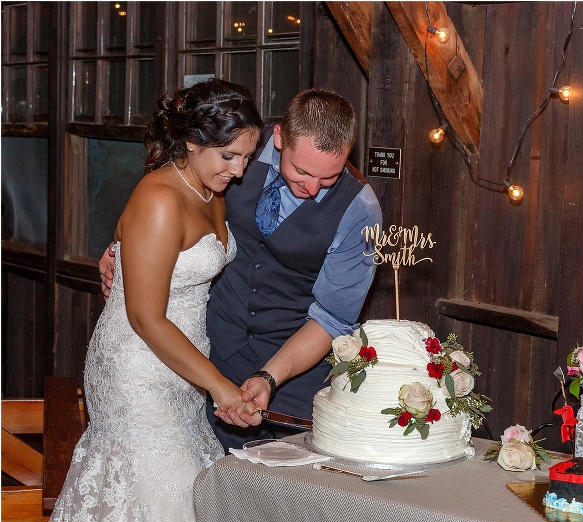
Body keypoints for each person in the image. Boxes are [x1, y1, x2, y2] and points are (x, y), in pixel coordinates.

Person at [40, 79, 263, 522]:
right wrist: (218, 384)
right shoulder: (160, 198)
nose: (240, 170)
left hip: (182, 365)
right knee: (160, 499)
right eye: (229, 156)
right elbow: (145, 318)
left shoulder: (210, 189)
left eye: (247, 156)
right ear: (191, 141)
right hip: (138, 370)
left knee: (182, 503)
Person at [100, 88, 382, 452]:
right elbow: (168, 197)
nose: (312, 188)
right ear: (278, 137)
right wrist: (120, 248)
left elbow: (332, 318)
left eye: (329, 177)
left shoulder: (360, 209)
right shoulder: (234, 145)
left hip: (295, 377)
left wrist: (269, 377)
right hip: (208, 354)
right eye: (301, 171)